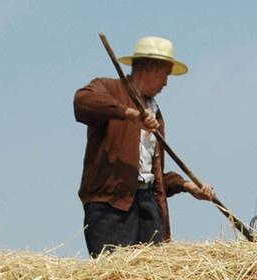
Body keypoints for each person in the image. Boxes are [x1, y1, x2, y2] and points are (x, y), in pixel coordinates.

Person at [73, 35, 215, 257]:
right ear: (149, 67)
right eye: (165, 75)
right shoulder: (109, 89)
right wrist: (129, 114)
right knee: (115, 278)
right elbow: (82, 101)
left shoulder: (156, 115)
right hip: (111, 207)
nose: (166, 83)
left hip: (148, 208)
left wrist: (187, 186)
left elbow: (151, 176)